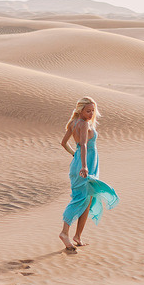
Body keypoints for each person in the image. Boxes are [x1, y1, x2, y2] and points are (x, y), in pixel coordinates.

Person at [58, 97, 119, 252]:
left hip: (79, 164)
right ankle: (65, 233)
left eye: (93, 110)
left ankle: (77, 236)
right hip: (86, 166)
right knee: (79, 199)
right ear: (80, 110)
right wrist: (84, 165)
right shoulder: (84, 124)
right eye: (88, 110)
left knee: (88, 198)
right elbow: (84, 145)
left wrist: (75, 155)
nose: (91, 113)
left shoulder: (73, 123)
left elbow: (64, 143)